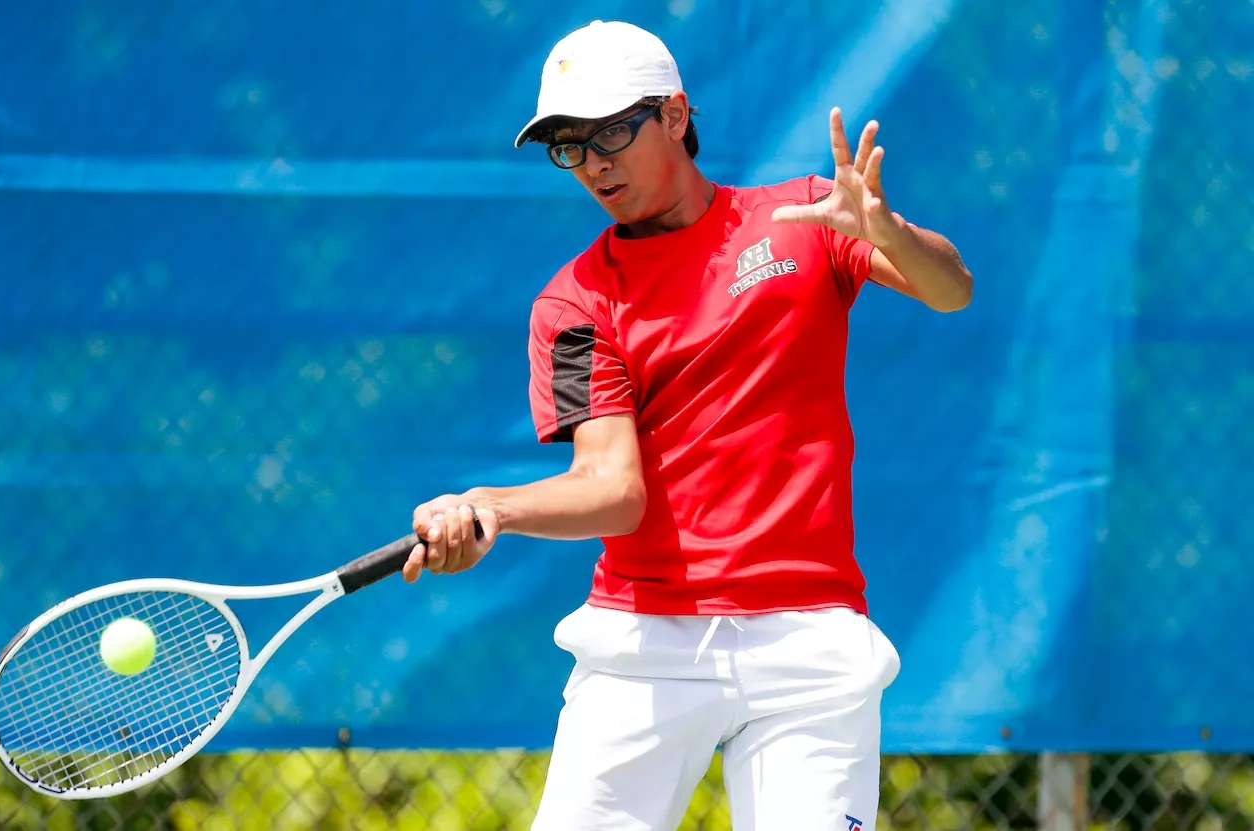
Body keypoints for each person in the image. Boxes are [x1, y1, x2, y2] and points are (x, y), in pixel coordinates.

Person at [400, 19, 973, 831]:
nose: (595, 161)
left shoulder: (807, 216)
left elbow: (951, 289)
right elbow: (612, 490)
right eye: (570, 143)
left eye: (612, 131)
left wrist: (889, 232)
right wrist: (489, 502)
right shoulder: (573, 306)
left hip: (809, 640)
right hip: (642, 645)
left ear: (674, 113)